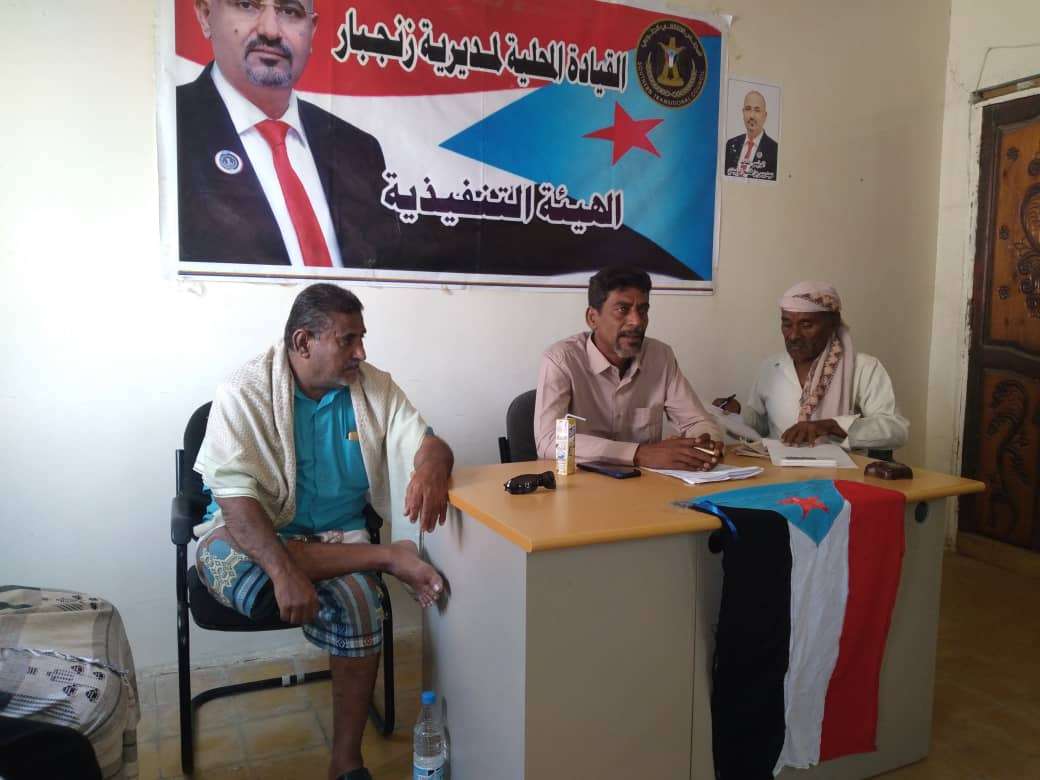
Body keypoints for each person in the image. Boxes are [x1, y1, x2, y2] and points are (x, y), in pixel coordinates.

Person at [193, 284, 453, 780]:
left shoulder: (373, 388)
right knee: (228, 557)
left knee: (361, 604)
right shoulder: (243, 391)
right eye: (347, 340)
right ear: (303, 342)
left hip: (339, 543)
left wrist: (432, 467)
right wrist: (282, 569)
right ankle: (386, 558)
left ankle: (345, 762)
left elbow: (429, 443)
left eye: (362, 338)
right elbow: (237, 505)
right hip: (253, 541)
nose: (361, 353)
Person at [177, 0, 398, 267]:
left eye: (290, 11)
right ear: (205, 15)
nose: (270, 31)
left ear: (312, 30)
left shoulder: (359, 150)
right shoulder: (173, 124)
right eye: (247, 5)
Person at [534, 266, 723, 470]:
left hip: (644, 484)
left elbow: (697, 422)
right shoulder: (561, 360)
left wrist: (703, 444)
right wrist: (638, 453)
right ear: (592, 318)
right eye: (622, 310)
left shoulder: (661, 357)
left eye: (643, 310)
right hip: (581, 484)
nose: (637, 321)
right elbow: (548, 441)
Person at [714, 281, 909, 451]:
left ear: (832, 324)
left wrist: (831, 426)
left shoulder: (863, 367)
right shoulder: (770, 367)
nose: (793, 335)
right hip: (779, 472)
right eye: (787, 324)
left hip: (842, 475)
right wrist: (734, 413)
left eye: (806, 325)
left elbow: (896, 430)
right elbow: (760, 428)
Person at [724, 90, 778, 181]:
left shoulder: (775, 151)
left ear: (765, 116)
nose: (752, 116)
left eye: (757, 110)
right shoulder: (730, 144)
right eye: (748, 109)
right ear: (743, 112)